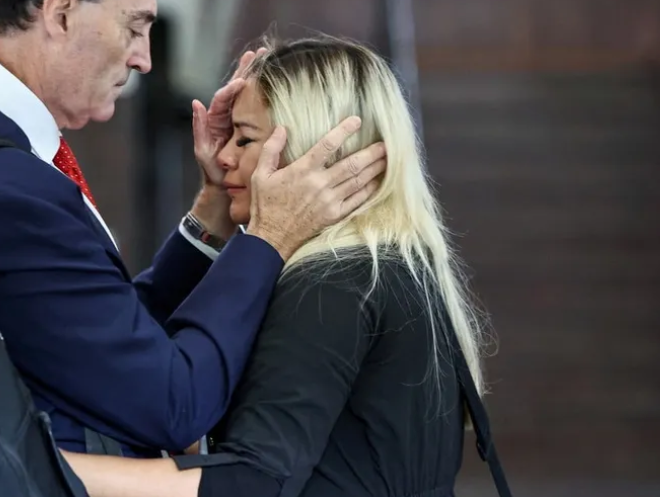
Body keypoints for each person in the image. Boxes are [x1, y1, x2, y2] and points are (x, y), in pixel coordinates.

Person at [0, 0, 387, 459]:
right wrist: (268, 240)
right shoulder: (4, 187)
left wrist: (214, 211)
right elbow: (173, 404)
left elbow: (102, 338)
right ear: (60, 13)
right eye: (134, 27)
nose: (143, 58)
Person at [58, 35, 491, 497]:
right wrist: (217, 202)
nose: (223, 157)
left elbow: (256, 481)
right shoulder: (389, 267)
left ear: (313, 150)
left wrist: (42, 466)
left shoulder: (333, 283)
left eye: (245, 139)